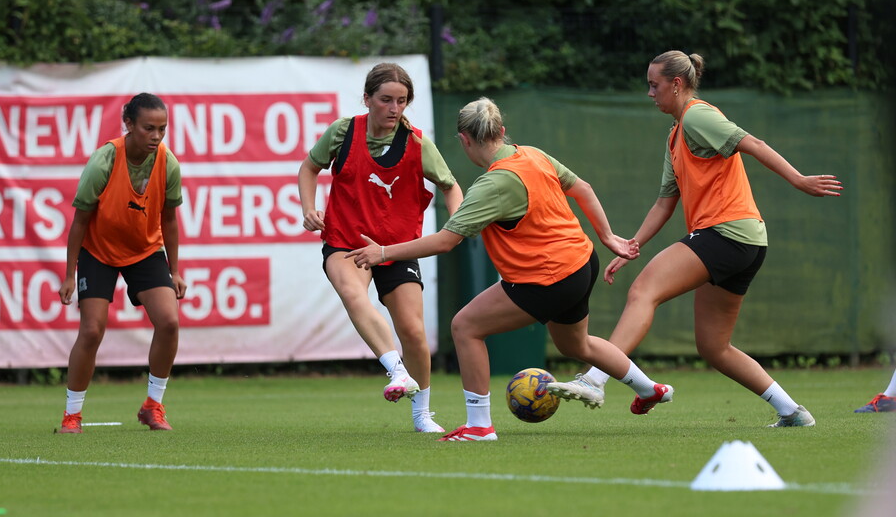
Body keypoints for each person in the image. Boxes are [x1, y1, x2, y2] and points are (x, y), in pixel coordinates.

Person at [347, 97, 674, 442]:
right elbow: (584, 189)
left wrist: (382, 251)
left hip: (548, 278)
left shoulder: (492, 185)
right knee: (576, 345)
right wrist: (607, 236)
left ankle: (479, 426)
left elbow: (445, 242)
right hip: (581, 263)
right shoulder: (532, 154)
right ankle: (651, 388)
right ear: (502, 132)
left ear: (464, 140)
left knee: (465, 327)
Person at [552, 51, 843, 428]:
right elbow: (664, 203)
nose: (650, 93)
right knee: (714, 347)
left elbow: (752, 143)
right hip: (746, 241)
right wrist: (631, 246)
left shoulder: (697, 115)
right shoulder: (675, 134)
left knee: (644, 292)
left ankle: (595, 379)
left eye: (655, 85)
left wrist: (799, 179)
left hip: (726, 232)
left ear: (677, 84)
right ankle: (792, 412)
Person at [297, 63, 464, 433]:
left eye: (402, 101)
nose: (394, 108)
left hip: (396, 248)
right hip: (346, 241)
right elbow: (309, 168)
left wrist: (458, 222)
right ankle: (397, 371)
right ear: (367, 99)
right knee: (353, 294)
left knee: (414, 332)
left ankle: (422, 414)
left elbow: (450, 186)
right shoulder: (343, 132)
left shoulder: (418, 143)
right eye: (386, 100)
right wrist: (309, 208)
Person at [57, 93, 186, 434]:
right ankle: (72, 415)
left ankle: (152, 407)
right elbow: (80, 221)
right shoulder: (104, 161)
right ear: (129, 125)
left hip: (145, 249)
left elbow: (169, 220)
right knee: (92, 329)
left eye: (162, 129)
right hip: (97, 251)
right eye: (148, 128)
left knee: (169, 322)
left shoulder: (168, 163)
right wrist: (70, 274)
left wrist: (175, 270)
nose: (156, 136)